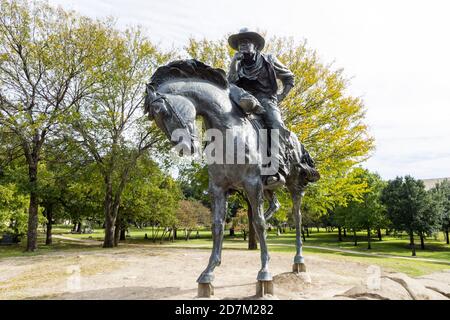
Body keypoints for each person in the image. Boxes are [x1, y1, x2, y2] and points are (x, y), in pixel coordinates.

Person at [228, 28, 295, 185]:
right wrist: (233, 64)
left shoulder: (269, 59)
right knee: (219, 116)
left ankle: (277, 169)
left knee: (276, 124)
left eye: (246, 42)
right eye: (239, 44)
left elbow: (289, 77)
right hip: (243, 101)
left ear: (256, 46)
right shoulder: (237, 65)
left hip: (266, 100)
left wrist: (280, 97)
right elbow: (228, 85)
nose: (242, 46)